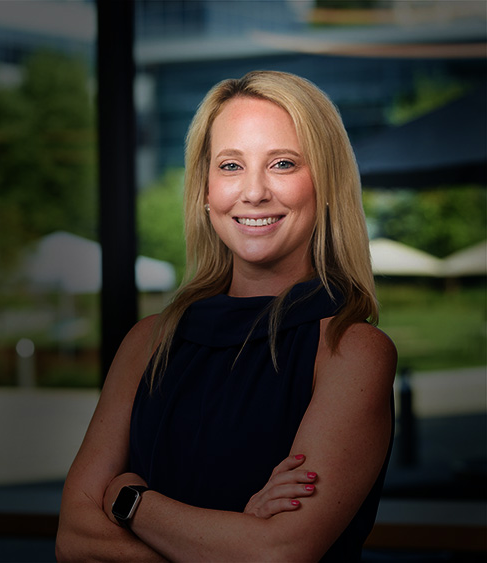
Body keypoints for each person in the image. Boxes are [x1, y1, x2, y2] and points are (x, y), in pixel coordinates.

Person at [56, 70, 397, 562]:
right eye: (231, 166)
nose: (253, 192)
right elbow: (75, 540)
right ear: (204, 191)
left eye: (282, 163)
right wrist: (234, 537)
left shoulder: (352, 350)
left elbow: (277, 554)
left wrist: (128, 500)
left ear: (326, 185)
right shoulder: (148, 343)